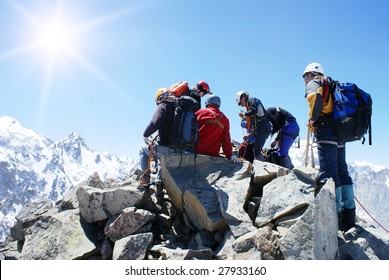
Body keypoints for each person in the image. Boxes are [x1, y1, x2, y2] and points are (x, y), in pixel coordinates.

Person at [303, 62, 355, 231]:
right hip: (340, 131)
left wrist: (313, 119)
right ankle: (349, 215)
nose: (304, 80)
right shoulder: (332, 84)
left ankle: (335, 216)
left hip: (326, 129)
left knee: (328, 173)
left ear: (310, 74)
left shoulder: (314, 82)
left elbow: (315, 98)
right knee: (342, 170)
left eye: (304, 76)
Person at [138, 88, 175, 187]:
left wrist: (145, 134)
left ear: (160, 98)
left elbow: (155, 123)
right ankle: (159, 180)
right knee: (160, 152)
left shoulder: (164, 105)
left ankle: (145, 180)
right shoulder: (178, 107)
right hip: (180, 148)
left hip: (166, 148)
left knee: (143, 149)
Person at [195, 95, 239, 162]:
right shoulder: (225, 119)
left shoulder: (200, 112)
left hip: (195, 151)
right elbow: (226, 139)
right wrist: (230, 155)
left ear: (207, 103)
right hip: (212, 154)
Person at [236, 91, 272, 161]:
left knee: (257, 150)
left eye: (240, 103)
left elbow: (254, 110)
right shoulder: (249, 105)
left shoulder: (251, 100)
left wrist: (244, 115)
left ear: (243, 97)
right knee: (256, 150)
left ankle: (261, 169)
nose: (242, 105)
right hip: (262, 127)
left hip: (263, 127)